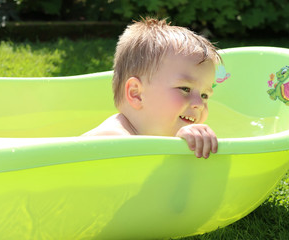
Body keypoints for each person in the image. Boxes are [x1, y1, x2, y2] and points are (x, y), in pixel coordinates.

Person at [82, 17, 221, 159]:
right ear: (136, 94)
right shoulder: (110, 140)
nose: (199, 104)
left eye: (205, 95)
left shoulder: (154, 133)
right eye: (185, 89)